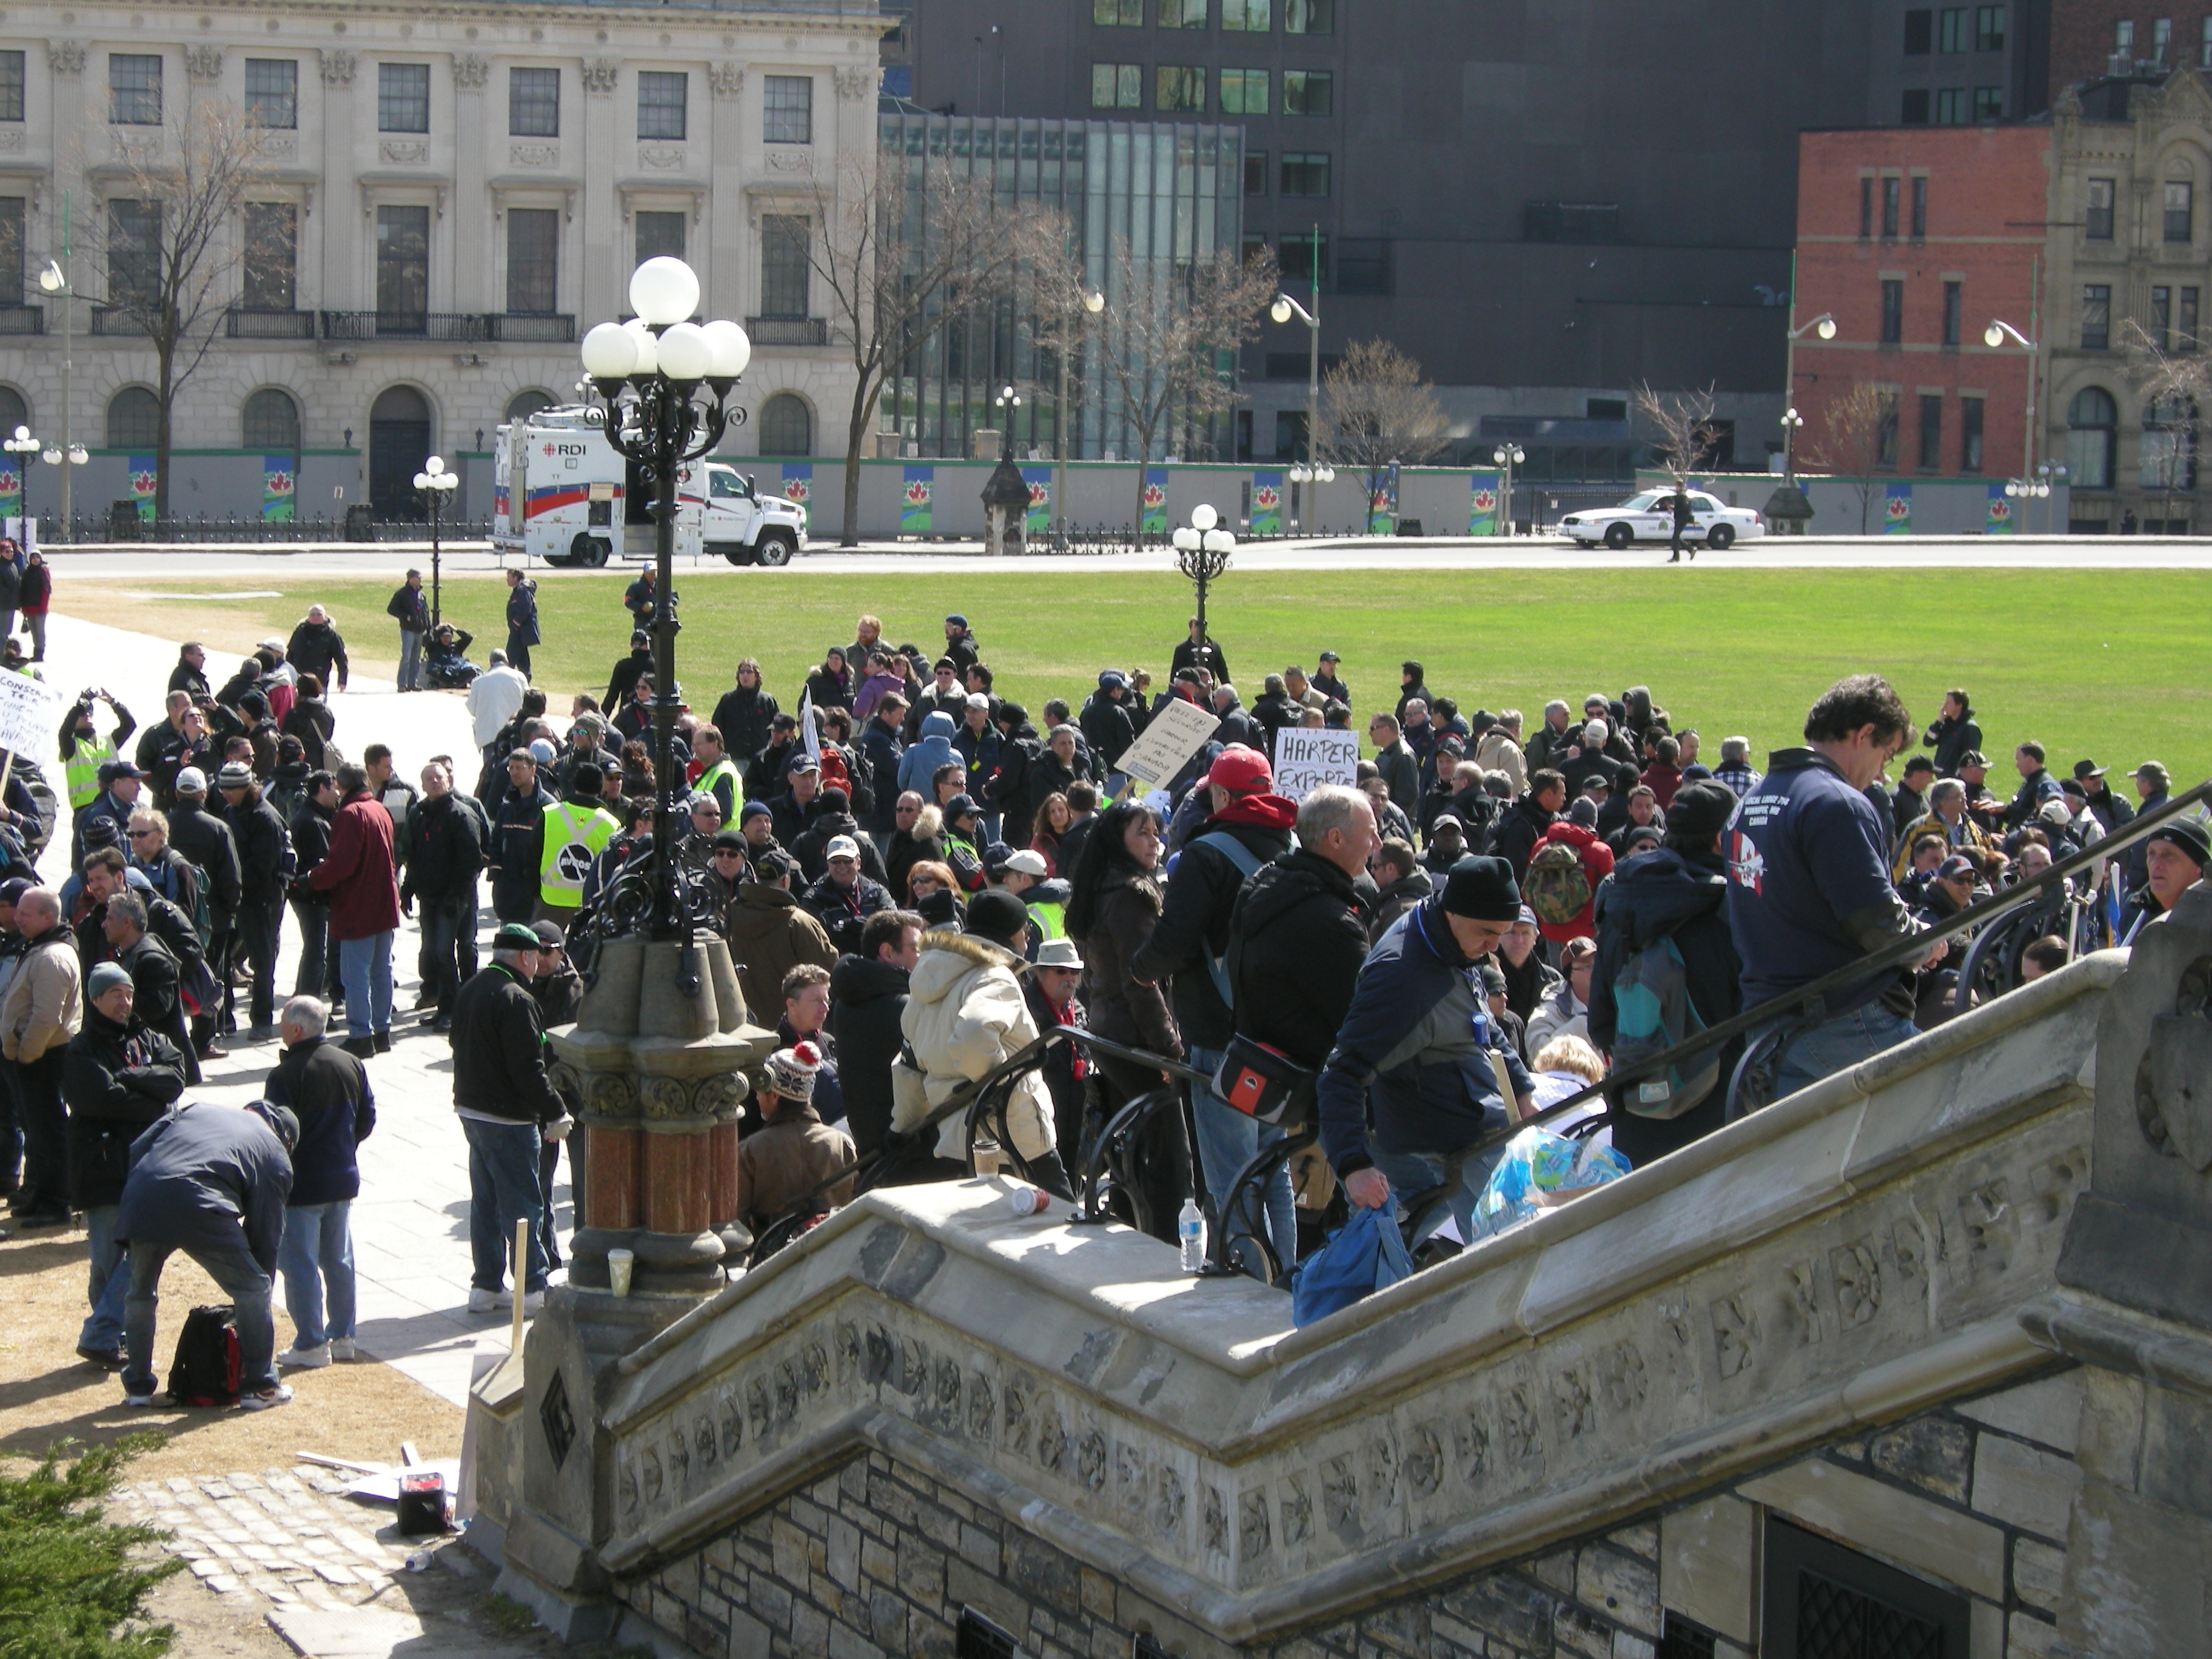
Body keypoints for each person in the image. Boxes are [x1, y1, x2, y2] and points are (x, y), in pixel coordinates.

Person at [1726, 675, 1940, 1100]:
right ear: (1864, 735)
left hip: (1771, 1026)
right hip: (1843, 1017)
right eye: (1887, 755)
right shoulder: (1837, 803)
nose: (1882, 773)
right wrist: (1927, 943)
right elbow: (1877, 922)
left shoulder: (1750, 803)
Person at [1318, 857, 1537, 1238]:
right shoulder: (1401, 976)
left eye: (1502, 933)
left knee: (1497, 1252)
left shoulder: (1456, 942)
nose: (1493, 947)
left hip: (1475, 1123)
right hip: (1447, 1134)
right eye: (1487, 932)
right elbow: (1341, 1074)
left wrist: (1522, 1087)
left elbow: (1479, 1017)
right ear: (1453, 913)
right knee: (1517, 1243)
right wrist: (1352, 1165)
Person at [1218, 784, 1378, 1274]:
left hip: (1264, 1065)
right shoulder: (1330, 920)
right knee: (1370, 1198)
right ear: (1335, 839)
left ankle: (1266, 1273)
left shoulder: (1264, 884)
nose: (1376, 843)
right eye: (1369, 833)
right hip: (1319, 1085)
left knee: (1266, 1180)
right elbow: (1365, 1017)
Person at [1587, 779, 1744, 1166]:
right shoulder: (1732, 906)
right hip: (1718, 1107)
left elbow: (1600, 1020)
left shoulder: (1622, 896)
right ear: (1723, 840)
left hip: (1636, 1103)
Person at [113, 1099, 299, 1409]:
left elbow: (139, 1147)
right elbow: (266, 1235)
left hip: (143, 1194)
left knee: (140, 1295)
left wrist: (140, 1191)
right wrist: (256, 1288)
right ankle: (260, 1387)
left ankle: (138, 1388)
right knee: (253, 1287)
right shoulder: (274, 1151)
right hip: (200, 1202)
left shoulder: (199, 1109)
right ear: (286, 1139)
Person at [1064, 801, 1187, 1236]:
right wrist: (1169, 1051)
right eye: (1144, 832)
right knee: (1170, 1155)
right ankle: (1166, 1245)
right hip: (1135, 1040)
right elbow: (1141, 980)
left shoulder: (1102, 886)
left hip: (1110, 1032)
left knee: (1128, 1148)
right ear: (1119, 841)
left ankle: (1127, 1227)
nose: (1155, 841)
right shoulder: (1131, 894)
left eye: (1157, 832)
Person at [898, 888, 1071, 1195]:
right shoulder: (995, 975)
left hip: (957, 1142)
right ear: (1012, 933)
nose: (1028, 937)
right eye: (1026, 929)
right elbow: (973, 1035)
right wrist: (992, 1088)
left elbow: (909, 1064)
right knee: (1063, 1223)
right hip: (1014, 1138)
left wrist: (901, 1126)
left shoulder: (927, 984)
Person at [64, 961, 187, 1369]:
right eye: (116, 994)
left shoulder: (148, 1037)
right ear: (96, 999)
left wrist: (130, 1078)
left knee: (141, 1254)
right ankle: (106, 1336)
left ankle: (105, 1332)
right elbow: (100, 1099)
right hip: (103, 1168)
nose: (125, 1001)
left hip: (148, 1165)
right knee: (106, 1260)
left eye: (129, 994)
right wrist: (149, 1097)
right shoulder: (82, 1049)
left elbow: (176, 1077)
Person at [451, 924, 567, 1312]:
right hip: (509, 1118)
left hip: (471, 1111)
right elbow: (529, 1068)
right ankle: (532, 1286)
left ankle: (486, 1284)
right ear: (526, 958)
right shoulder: (517, 999)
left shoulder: (471, 988)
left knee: (484, 1200)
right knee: (523, 1203)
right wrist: (555, 1111)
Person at [261, 996, 374, 1369]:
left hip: (302, 1186)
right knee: (339, 1260)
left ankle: (311, 1343)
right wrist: (344, 1147)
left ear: (296, 1030)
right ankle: (343, 1336)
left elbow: (275, 1135)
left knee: (300, 1265)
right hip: (341, 1179)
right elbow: (367, 1119)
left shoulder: (285, 1076)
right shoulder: (351, 1063)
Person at [305, 764, 402, 1057]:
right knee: (381, 970)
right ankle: (382, 1031)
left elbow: (342, 864)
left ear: (341, 786)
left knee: (355, 974)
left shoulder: (349, 815)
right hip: (384, 902)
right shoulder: (378, 809)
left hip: (358, 905)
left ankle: (361, 1035)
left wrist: (313, 878)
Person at [1, 889, 82, 1227]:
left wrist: (25, 1054)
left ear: (49, 918)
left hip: (43, 1057)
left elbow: (46, 1017)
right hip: (33, 1056)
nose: (18, 918)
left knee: (49, 1132)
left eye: (26, 914)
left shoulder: (52, 957)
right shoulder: (38, 946)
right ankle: (40, 1195)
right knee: (37, 1131)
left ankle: (55, 1201)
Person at [735, 1042, 857, 1236]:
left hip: (773, 1259)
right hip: (830, 1252)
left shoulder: (750, 1150)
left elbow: (737, 1225)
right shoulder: (842, 1144)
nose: (757, 1099)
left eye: (760, 1092)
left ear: (774, 1096)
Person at [829, 908, 922, 1160]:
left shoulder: (848, 999)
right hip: (903, 1143)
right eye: (915, 948)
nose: (921, 957)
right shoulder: (904, 1007)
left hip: (870, 1139)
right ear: (888, 953)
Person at [402, 760, 484, 1033]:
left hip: (453, 899)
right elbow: (414, 855)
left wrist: (456, 896)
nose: (435, 782)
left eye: (439, 778)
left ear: (448, 781)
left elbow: (472, 860)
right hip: (429, 896)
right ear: (423, 785)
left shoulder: (461, 814)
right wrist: (408, 889)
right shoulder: (421, 814)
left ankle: (455, 1008)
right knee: (436, 952)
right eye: (429, 779)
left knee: (447, 951)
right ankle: (445, 1007)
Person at [801, 836, 893, 957]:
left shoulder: (878, 892)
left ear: (858, 863)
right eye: (835, 861)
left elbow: (891, 926)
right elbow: (822, 937)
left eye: (848, 860)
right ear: (828, 864)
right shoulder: (813, 898)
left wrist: (846, 925)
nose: (842, 866)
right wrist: (867, 926)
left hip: (875, 962)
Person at [2119, 819, 2208, 944]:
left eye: (2169, 855)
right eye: (2151, 853)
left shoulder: (2207, 916)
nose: (2155, 864)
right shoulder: (2135, 909)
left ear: (2199, 867)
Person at [59, 689, 138, 814]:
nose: (87, 714)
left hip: (112, 804)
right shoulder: (71, 746)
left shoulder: (108, 742)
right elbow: (64, 732)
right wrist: (79, 707)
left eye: (90, 711)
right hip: (85, 808)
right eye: (82, 713)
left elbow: (129, 725)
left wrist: (114, 703)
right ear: (74, 719)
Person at [1922, 689, 1982, 779]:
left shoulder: (1970, 728)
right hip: (1941, 778)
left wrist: (1958, 777)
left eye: (1948, 703)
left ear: (1959, 706)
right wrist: (1938, 722)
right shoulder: (1947, 724)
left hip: (1956, 781)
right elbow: (1928, 742)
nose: (1944, 707)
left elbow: (1970, 758)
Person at [387, 569, 430, 692]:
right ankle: (402, 683)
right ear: (410, 579)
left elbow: (425, 611)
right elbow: (391, 609)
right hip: (408, 630)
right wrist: (405, 616)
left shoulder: (421, 594)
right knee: (406, 656)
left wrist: (428, 626)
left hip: (420, 630)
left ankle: (412, 683)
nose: (421, 579)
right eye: (418, 577)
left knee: (416, 658)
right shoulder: (402, 593)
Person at [504, 569, 540, 678]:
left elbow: (525, 608)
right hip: (520, 630)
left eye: (509, 577)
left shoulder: (522, 590)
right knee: (522, 657)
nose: (507, 579)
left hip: (519, 630)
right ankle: (526, 680)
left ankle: (504, 679)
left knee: (510, 656)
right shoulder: (520, 589)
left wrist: (516, 623)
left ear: (515, 578)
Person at [18, 547, 50, 660]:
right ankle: (36, 651)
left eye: (37, 557)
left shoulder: (43, 572)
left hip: (39, 607)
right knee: (34, 632)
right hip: (29, 607)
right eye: (33, 557)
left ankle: (40, 653)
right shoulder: (27, 572)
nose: (35, 560)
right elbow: (23, 589)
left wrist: (43, 607)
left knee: (40, 631)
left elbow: (46, 591)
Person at [1667, 484, 1695, 562]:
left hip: (1682, 519)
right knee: (1676, 538)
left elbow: (1682, 509)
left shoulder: (1682, 496)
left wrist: (1673, 509)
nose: (1675, 487)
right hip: (1680, 519)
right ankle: (1690, 549)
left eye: (1676, 486)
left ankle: (1676, 557)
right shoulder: (1680, 495)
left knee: (1675, 539)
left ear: (1679, 486)